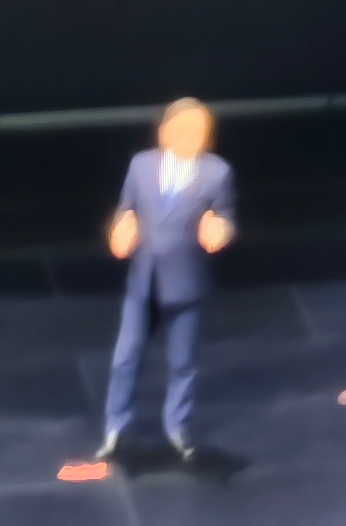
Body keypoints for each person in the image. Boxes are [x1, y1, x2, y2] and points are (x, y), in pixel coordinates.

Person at [94, 97, 238, 466]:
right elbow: (127, 208)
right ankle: (116, 429)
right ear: (164, 132)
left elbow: (224, 216)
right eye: (183, 129)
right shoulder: (141, 166)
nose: (191, 136)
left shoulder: (216, 173)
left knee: (182, 363)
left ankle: (178, 430)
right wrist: (122, 227)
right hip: (143, 283)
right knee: (125, 359)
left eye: (199, 130)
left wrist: (219, 230)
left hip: (186, 285)